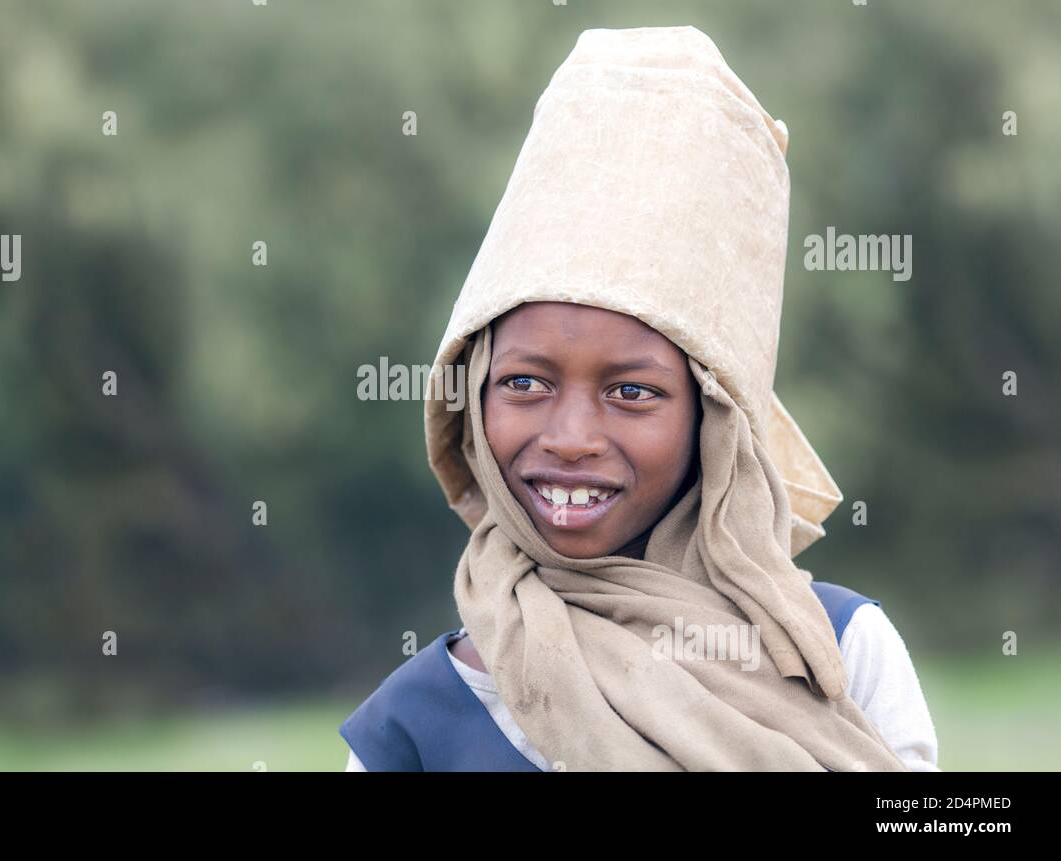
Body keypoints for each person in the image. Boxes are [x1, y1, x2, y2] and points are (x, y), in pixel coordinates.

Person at [339, 25, 938, 771]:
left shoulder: (841, 655)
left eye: (632, 391)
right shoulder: (413, 730)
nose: (570, 435)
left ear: (712, 425)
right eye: (524, 383)